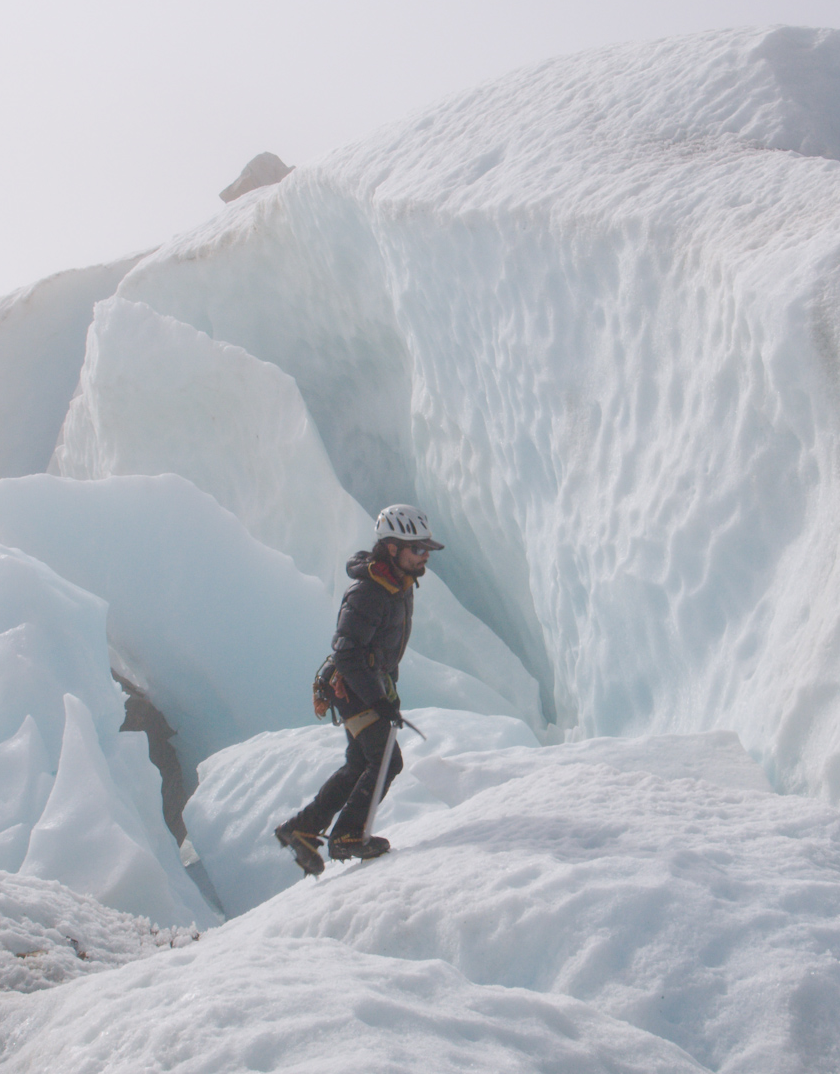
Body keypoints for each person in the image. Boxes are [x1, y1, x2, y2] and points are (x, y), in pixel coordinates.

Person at [275, 504, 444, 875]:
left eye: (426, 548)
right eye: (418, 548)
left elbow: (378, 649)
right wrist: (378, 700)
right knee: (387, 760)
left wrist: (387, 690)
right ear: (393, 549)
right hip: (353, 688)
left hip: (364, 685)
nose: (425, 555)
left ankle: (300, 828)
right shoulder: (369, 593)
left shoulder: (396, 586)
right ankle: (347, 835)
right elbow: (347, 653)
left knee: (360, 763)